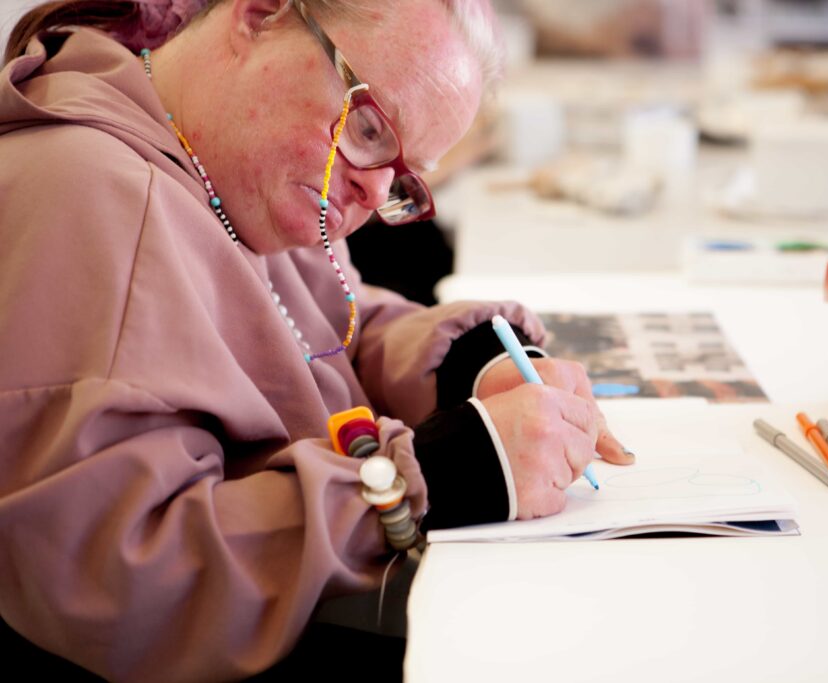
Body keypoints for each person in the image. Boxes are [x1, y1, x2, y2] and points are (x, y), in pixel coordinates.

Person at [0, 0, 634, 679]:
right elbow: (121, 579)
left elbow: (332, 329)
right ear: (261, 14)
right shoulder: (94, 202)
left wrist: (471, 367)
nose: (372, 189)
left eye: (405, 178)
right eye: (368, 127)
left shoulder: (216, 154)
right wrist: (436, 477)